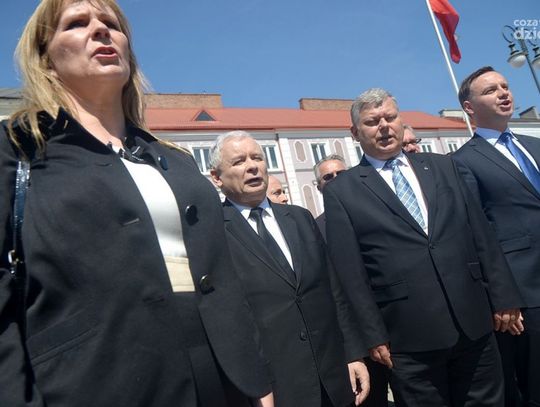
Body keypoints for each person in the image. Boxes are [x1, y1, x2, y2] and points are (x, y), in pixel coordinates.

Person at [0, 1, 273, 406]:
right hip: (96, 384)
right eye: (76, 23)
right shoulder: (16, 149)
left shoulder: (175, 160)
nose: (100, 30)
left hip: (222, 382)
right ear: (46, 58)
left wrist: (256, 378)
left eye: (111, 23)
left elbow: (221, 278)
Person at [323, 87, 524, 407]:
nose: (384, 126)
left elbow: (481, 234)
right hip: (406, 340)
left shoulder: (443, 167)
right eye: (372, 122)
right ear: (355, 133)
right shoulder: (342, 192)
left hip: (474, 322)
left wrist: (504, 296)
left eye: (390, 117)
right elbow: (350, 275)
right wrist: (371, 335)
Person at [210, 131, 370, 407]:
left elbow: (333, 291)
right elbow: (226, 321)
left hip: (334, 379)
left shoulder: (300, 218)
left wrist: (353, 353)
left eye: (257, 157)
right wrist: (252, 387)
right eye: (239, 161)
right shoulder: (213, 233)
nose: (252, 166)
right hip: (275, 390)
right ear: (216, 177)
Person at [453, 66, 540, 407]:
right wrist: (502, 296)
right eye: (491, 90)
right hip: (526, 293)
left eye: (505, 86)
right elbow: (477, 233)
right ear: (469, 107)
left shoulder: (535, 145)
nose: (504, 93)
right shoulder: (463, 161)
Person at [314, 154, 390, 407]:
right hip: (356, 337)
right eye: (327, 177)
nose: (335, 179)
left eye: (341, 173)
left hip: (394, 323)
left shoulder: (376, 213)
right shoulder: (314, 229)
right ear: (319, 187)